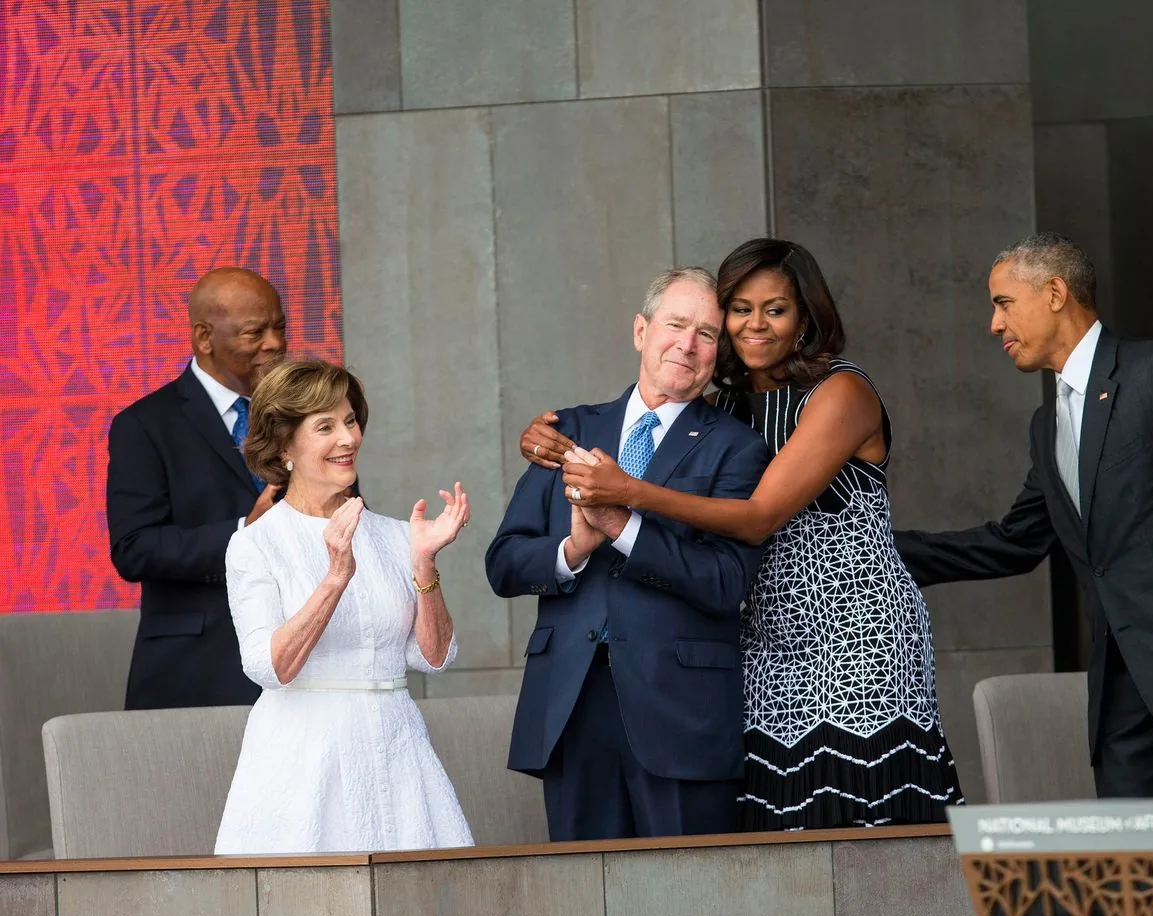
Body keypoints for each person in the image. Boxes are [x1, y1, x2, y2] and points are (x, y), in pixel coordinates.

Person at [525, 239, 962, 830]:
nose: (755, 324)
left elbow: (759, 516)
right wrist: (544, 442)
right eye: (740, 309)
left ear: (805, 318)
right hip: (760, 635)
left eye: (775, 310)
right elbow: (651, 420)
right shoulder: (726, 406)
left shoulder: (843, 392)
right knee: (778, 821)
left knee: (857, 816)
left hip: (854, 635)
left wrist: (625, 492)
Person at [892, 232, 1153, 798]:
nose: (993, 324)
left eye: (1003, 303)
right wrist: (871, 551)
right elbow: (1014, 542)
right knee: (1134, 878)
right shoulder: (1047, 424)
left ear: (1056, 292)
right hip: (1121, 698)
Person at [486, 268, 769, 842]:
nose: (687, 345)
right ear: (641, 331)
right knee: (586, 905)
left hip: (681, 712)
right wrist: (573, 548)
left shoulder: (738, 447)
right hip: (570, 706)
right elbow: (504, 563)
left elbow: (725, 583)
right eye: (675, 324)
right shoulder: (564, 430)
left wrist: (622, 526)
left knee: (691, 900)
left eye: (708, 334)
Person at [214, 360, 472, 854]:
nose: (348, 438)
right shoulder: (256, 544)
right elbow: (269, 666)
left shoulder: (397, 534)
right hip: (303, 754)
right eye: (325, 426)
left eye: (350, 421)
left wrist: (423, 563)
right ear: (284, 445)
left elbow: (434, 658)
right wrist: (335, 577)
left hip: (398, 746)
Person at [107, 267, 288, 710]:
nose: (275, 344)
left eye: (279, 327)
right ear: (204, 338)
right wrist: (244, 532)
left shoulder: (300, 417)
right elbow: (135, 548)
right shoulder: (145, 425)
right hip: (195, 673)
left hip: (301, 667)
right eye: (255, 332)